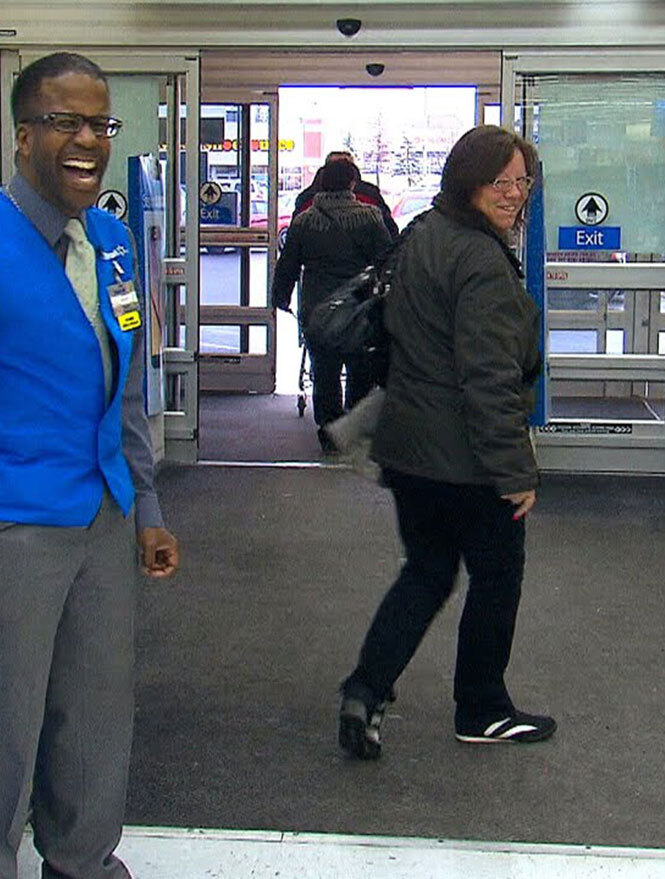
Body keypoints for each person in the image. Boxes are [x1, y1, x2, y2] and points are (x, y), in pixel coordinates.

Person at [0, 52, 179, 878]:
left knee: (96, 717)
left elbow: (126, 393)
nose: (87, 139)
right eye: (65, 122)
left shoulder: (114, 242)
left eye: (100, 123)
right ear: (24, 135)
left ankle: (82, 863)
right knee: (3, 728)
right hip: (13, 532)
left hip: (105, 517)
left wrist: (149, 507)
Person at [337, 125, 553, 760]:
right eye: (499, 182)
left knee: (426, 574)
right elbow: (488, 377)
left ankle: (366, 690)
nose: (514, 194)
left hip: (408, 450)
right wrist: (516, 471)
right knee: (496, 578)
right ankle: (482, 708)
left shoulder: (424, 233)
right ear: (468, 183)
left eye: (523, 182)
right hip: (466, 460)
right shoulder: (482, 261)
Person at [272, 159, 392, 452]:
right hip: (359, 306)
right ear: (352, 183)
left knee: (324, 371)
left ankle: (328, 431)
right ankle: (353, 424)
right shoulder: (370, 217)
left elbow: (288, 266)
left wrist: (281, 297)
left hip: (317, 307)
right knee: (359, 368)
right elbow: (387, 258)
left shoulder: (304, 221)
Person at [293, 150, 399, 239]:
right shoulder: (371, 198)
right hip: (363, 263)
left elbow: (292, 245)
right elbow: (390, 235)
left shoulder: (306, 202)